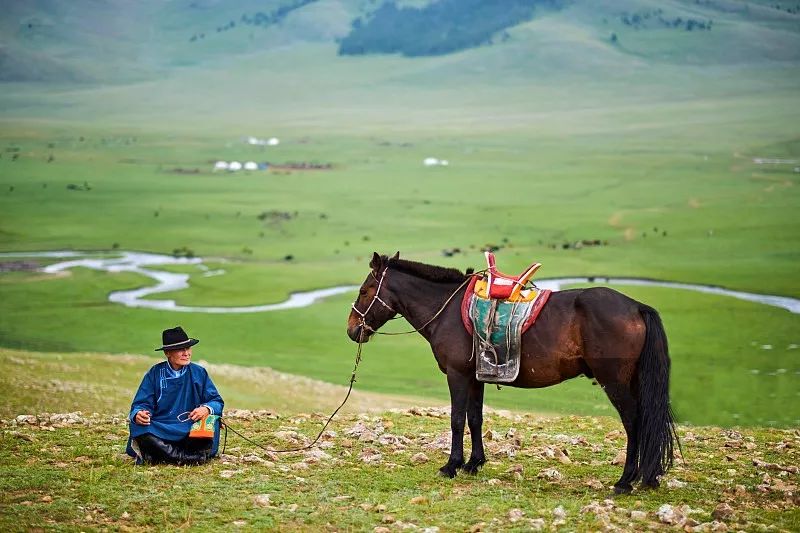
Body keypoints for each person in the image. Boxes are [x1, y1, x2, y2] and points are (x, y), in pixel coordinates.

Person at [125, 326, 224, 465]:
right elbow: (141, 404)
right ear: (167, 353)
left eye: (188, 348)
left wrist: (206, 409)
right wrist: (139, 413)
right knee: (139, 425)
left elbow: (216, 401)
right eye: (180, 349)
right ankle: (185, 458)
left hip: (189, 424)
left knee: (209, 424)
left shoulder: (199, 372)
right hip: (163, 426)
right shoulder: (155, 373)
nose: (186, 353)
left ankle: (161, 455)